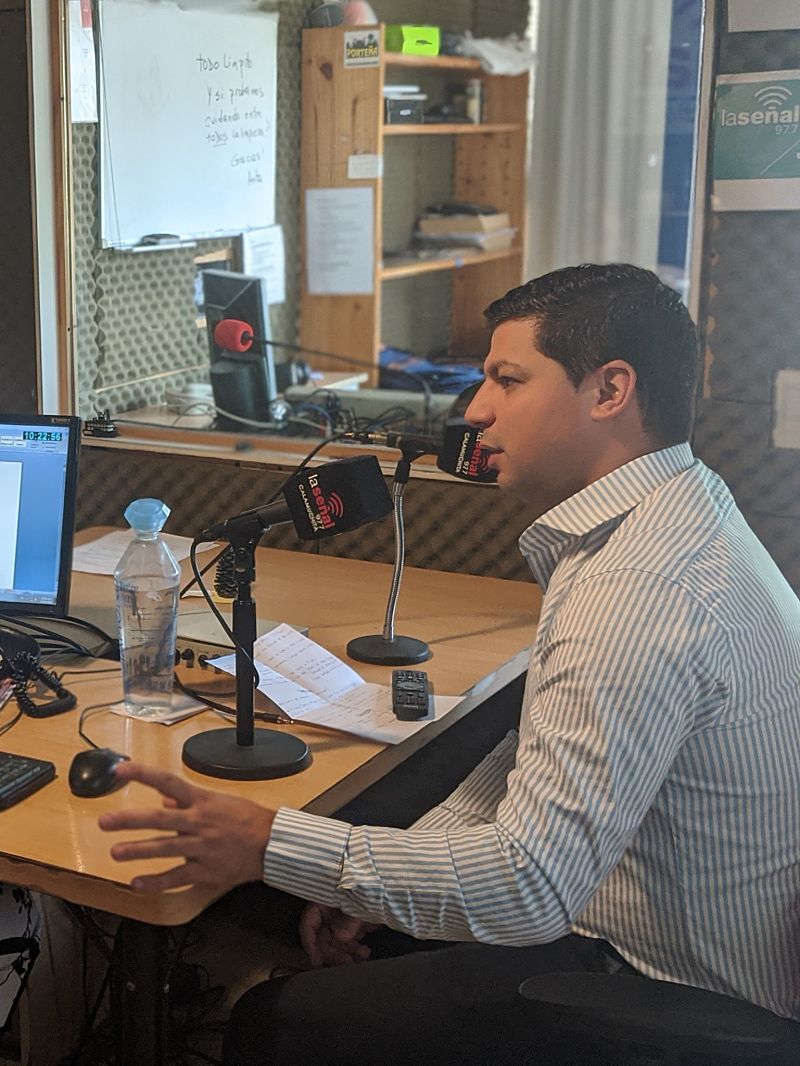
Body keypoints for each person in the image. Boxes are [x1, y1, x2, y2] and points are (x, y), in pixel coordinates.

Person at [98, 263, 800, 1064]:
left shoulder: (639, 588)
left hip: (674, 986)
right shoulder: (675, 513)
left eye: (508, 379)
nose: (476, 410)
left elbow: (531, 886)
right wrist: (369, 881)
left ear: (610, 391)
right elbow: (533, 756)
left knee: (277, 1018)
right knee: (312, 876)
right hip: (631, 903)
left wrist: (269, 843)